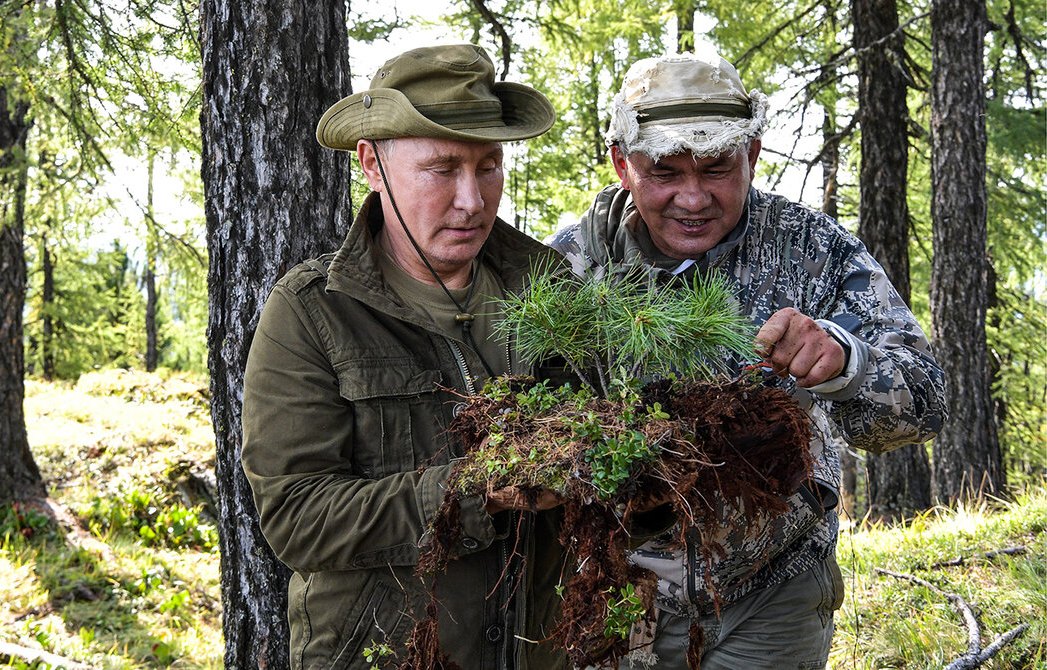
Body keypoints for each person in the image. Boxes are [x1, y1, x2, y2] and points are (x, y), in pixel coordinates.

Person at [548, 53, 947, 669]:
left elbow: (925, 403)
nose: (693, 196)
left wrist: (847, 363)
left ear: (753, 156)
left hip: (772, 594)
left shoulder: (811, 252)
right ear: (622, 165)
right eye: (664, 171)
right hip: (614, 596)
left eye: (716, 169)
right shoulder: (571, 270)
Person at [240, 44, 571, 670]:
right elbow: (296, 516)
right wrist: (475, 492)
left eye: (489, 166)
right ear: (372, 163)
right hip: (384, 654)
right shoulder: (314, 311)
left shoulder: (548, 286)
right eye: (442, 169)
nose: (472, 200)